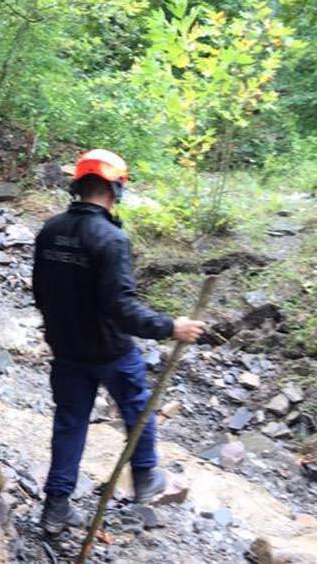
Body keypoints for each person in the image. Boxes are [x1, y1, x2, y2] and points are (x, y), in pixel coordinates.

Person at [32, 149, 206, 534]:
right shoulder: (111, 239)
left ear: (79, 186)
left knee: (70, 423)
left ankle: (56, 509)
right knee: (136, 406)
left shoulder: (50, 230)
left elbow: (40, 292)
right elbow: (121, 308)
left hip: (66, 349)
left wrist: (58, 331)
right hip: (109, 349)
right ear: (115, 189)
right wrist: (169, 327)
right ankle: (144, 476)